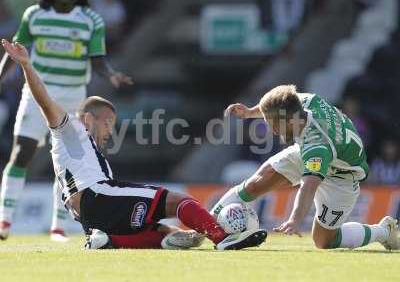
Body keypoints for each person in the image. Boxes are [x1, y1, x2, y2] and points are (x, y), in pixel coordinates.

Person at [1, 39, 267, 250]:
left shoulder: (88, 156)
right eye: (107, 123)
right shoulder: (71, 128)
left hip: (87, 216)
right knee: (177, 200)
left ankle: (109, 241)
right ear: (87, 118)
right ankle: (222, 238)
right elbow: (45, 101)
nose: (109, 131)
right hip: (97, 196)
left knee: (160, 231)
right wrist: (26, 65)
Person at [0, 0, 133, 242]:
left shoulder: (91, 19)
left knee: (68, 163)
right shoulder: (34, 15)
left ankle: (58, 227)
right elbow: (15, 53)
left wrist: (112, 74)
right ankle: (4, 220)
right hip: (37, 95)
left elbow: (97, 59)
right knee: (21, 153)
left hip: (73, 99)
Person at [211, 84, 400, 250]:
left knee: (324, 241)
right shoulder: (302, 101)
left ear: (289, 120)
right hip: (314, 151)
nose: (272, 129)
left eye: (274, 124)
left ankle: (383, 231)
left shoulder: (317, 144)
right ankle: (207, 221)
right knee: (258, 181)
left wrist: (295, 219)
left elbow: (309, 186)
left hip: (341, 176)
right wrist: (250, 112)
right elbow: (275, 106)